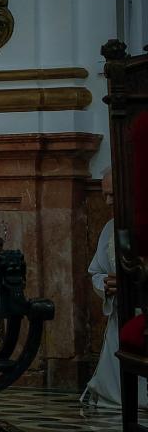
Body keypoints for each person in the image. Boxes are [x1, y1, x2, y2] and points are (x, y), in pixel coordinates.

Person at [85, 169, 148, 407]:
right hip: (120, 319)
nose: (108, 201)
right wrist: (105, 283)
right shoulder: (111, 228)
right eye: (104, 195)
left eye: (113, 194)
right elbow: (96, 271)